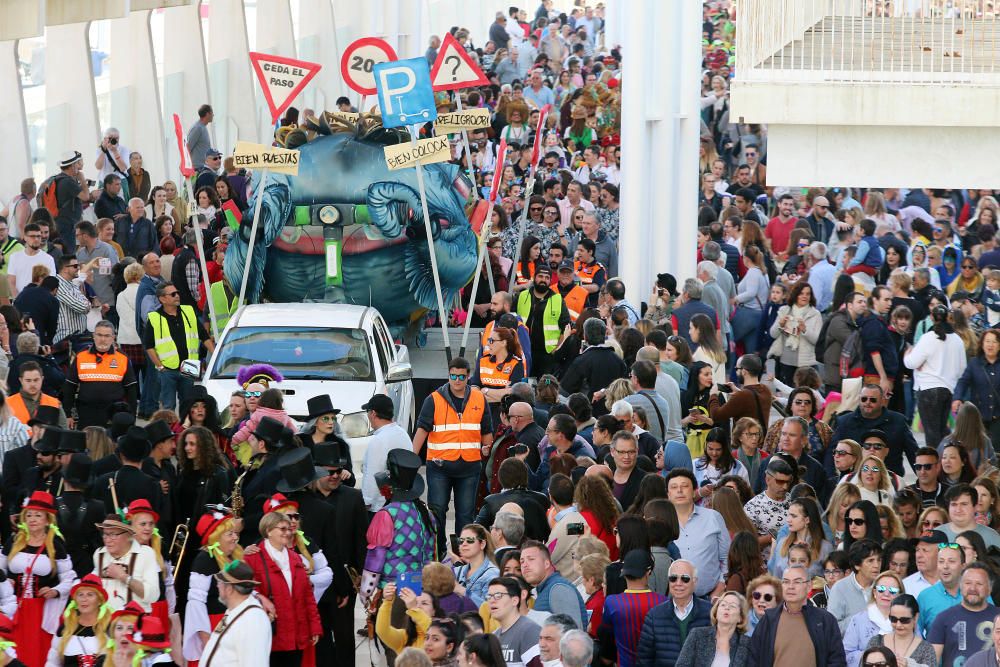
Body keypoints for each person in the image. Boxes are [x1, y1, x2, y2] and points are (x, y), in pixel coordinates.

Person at [413, 357, 492, 554]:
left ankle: (462, 555)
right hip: (439, 466)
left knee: (465, 515)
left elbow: (486, 430)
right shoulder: (433, 399)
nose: (457, 380)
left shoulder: (479, 399)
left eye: (461, 377)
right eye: (453, 376)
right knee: (437, 511)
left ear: (468, 377)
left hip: (470, 466)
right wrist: (412, 460)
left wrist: (487, 448)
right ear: (448, 375)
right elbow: (422, 430)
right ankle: (438, 552)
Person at [0, 490, 74, 666]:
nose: (32, 519)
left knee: (36, 652)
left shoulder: (55, 544)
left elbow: (70, 578)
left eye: (38, 515)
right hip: (14, 607)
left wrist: (55, 591)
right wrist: (5, 581)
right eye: (29, 515)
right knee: (12, 649)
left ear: (47, 520)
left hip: (41, 610)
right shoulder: (14, 540)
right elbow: (0, 569)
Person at [359, 449, 436, 605]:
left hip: (393, 591)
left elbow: (376, 558)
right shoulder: (427, 513)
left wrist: (366, 593)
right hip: (423, 590)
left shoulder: (387, 515)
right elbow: (433, 553)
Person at [244, 511, 322, 665]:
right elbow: (246, 592)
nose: (288, 533)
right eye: (282, 529)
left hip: (297, 635)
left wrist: (314, 628)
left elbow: (308, 597)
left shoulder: (296, 558)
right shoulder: (253, 558)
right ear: (268, 531)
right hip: (270, 635)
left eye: (289, 529)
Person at [746, 564, 846, 667]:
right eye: (786, 582)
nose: (790, 587)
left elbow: (837, 660)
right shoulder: (769, 620)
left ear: (809, 586)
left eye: (797, 582)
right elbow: (753, 658)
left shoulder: (825, 620)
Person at [142, 281, 213, 410]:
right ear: (162, 299)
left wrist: (216, 354)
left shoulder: (188, 311)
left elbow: (204, 336)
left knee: (188, 404)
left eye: (177, 293)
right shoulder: (154, 318)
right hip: (167, 369)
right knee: (168, 406)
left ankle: (184, 430)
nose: (177, 296)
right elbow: (149, 346)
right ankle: (171, 430)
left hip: (190, 366)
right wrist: (160, 366)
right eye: (173, 294)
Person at [904, 304, 967, 449]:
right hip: (948, 389)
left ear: (931, 317)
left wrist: (907, 353)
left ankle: (936, 465)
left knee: (932, 433)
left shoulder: (928, 337)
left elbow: (911, 362)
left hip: (928, 389)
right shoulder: (957, 340)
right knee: (941, 430)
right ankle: (944, 460)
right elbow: (962, 368)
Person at [829, 384, 918, 478]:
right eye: (864, 399)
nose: (867, 402)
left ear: (882, 401)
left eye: (873, 400)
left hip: (890, 479)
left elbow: (913, 453)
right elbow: (831, 453)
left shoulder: (898, 421)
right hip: (854, 481)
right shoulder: (844, 422)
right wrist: (831, 479)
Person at [636, 559, 712, 667]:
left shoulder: (710, 613)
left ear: (695, 582)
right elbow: (644, 660)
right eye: (673, 578)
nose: (678, 583)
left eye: (685, 579)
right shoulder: (654, 616)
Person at [667, 468, 730, 599]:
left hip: (708, 598)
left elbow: (727, 558)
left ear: (694, 491)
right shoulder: (662, 523)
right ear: (668, 494)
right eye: (674, 487)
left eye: (684, 486)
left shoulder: (713, 517)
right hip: (670, 600)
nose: (679, 491)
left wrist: (720, 587)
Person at [62, 320, 137, 429]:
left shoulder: (122, 358)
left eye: (107, 336)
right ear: (94, 336)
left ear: (113, 338)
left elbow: (131, 390)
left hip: (113, 415)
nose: (103, 339)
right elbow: (69, 387)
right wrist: (67, 414)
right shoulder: (81, 356)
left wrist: (132, 416)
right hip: (87, 413)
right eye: (99, 335)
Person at [598, 550, 667, 667]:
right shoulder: (663, 602)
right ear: (648, 572)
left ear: (623, 573)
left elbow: (606, 636)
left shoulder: (612, 602)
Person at [199, 559, 271, 667]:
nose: (217, 586)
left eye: (220, 583)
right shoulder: (235, 611)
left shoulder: (253, 620)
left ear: (229, 589)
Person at [928, 562, 997, 667]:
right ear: (960, 586)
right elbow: (931, 662)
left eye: (979, 584)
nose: (973, 588)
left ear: (990, 589)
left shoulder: (999, 617)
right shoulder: (943, 618)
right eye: (968, 583)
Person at [92, 513, 160, 611]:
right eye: (105, 534)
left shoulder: (145, 554)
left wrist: (124, 577)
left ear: (128, 535)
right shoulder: (99, 554)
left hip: (135, 622)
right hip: (106, 622)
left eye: (113, 535)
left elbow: (153, 596)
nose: (107, 540)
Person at [44, 573, 110, 666]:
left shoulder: (110, 628)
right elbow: (52, 663)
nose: (84, 599)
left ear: (99, 601)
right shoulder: (65, 628)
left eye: (90, 595)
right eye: (80, 595)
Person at [516, 265, 570, 377]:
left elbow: (567, 328)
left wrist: (556, 349)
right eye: (540, 276)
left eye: (547, 277)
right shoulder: (522, 296)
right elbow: (512, 321)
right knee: (525, 384)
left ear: (550, 280)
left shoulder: (558, 300)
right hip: (524, 352)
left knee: (546, 384)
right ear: (534, 277)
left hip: (547, 356)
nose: (543, 280)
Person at [842, 570, 905, 667]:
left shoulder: (908, 620)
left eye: (892, 590)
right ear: (874, 592)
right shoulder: (858, 620)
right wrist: (870, 657)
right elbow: (846, 654)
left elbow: (918, 649)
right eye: (881, 589)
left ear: (900, 595)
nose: (886, 594)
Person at [519, 540, 587, 630]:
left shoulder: (559, 588)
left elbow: (573, 633)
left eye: (531, 559)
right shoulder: (546, 589)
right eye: (522, 561)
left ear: (547, 564)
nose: (525, 565)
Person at [675, 591, 752, 667]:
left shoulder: (747, 643)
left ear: (740, 617)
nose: (727, 608)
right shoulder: (697, 634)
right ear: (716, 612)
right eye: (723, 605)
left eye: (732, 606)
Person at [829, 539, 884, 631]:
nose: (877, 565)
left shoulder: (885, 585)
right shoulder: (840, 588)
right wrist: (861, 619)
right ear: (857, 565)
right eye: (870, 561)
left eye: (879, 560)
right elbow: (832, 627)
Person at [903, 529, 944, 597]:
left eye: (925, 550)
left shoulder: (958, 583)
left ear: (941, 553)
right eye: (917, 550)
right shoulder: (905, 585)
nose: (919, 555)